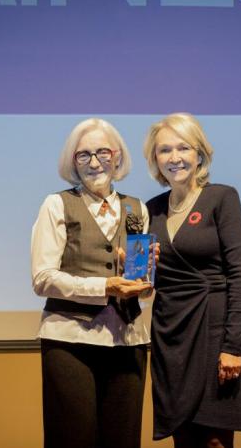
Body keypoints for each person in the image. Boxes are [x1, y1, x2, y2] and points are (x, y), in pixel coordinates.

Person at [31, 118, 153, 448]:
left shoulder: (135, 207)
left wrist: (145, 279)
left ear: (117, 156)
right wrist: (103, 287)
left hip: (127, 341)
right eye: (83, 155)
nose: (94, 162)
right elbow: (42, 279)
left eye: (102, 152)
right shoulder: (56, 204)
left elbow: (139, 280)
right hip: (69, 341)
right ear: (73, 161)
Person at [142, 113, 241, 448]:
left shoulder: (222, 198)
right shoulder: (151, 210)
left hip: (215, 331)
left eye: (183, 148)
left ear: (199, 154)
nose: (174, 157)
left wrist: (233, 346)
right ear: (155, 159)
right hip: (170, 336)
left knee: (215, 442)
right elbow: (145, 282)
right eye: (165, 150)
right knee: (185, 440)